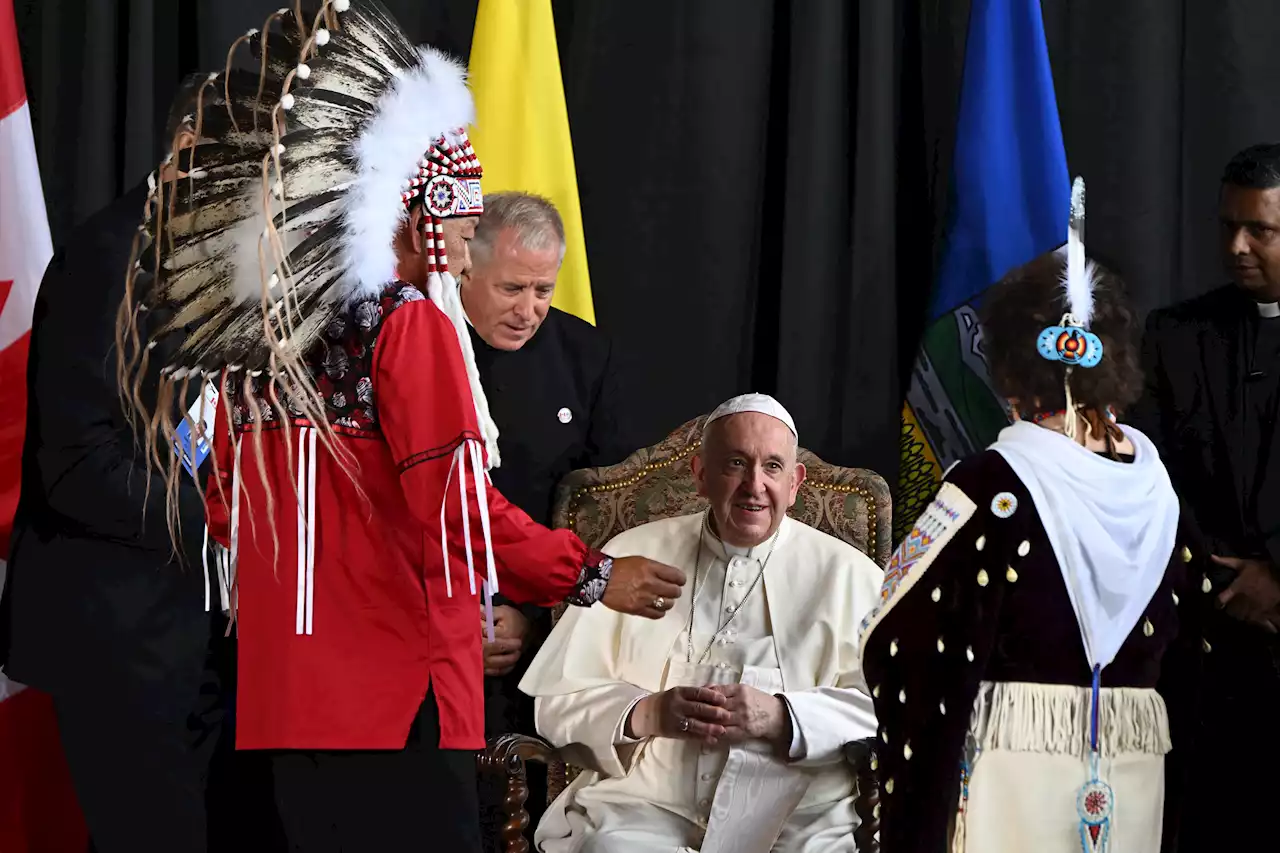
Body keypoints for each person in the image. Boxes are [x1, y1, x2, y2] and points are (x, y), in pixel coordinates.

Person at [112, 4, 685, 852]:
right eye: (458, 221)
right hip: (394, 694)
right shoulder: (407, 326)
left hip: (283, 692)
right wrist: (591, 574)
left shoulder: (273, 336)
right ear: (421, 217)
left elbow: (226, 503)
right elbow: (455, 512)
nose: (463, 239)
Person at [862, 181, 1210, 853]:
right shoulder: (1157, 489)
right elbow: (1197, 642)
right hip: (1131, 780)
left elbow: (898, 636)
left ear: (1009, 370)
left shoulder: (990, 488)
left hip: (1007, 777)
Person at [0, 75, 280, 853]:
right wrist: (229, 516)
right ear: (192, 148)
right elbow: (79, 464)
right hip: (121, 634)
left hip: (201, 628)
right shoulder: (107, 261)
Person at [520, 393, 882, 853]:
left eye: (772, 467)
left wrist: (784, 717)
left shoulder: (850, 576)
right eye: (735, 463)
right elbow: (557, 700)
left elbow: (896, 710)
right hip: (644, 806)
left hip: (799, 815)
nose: (754, 485)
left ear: (795, 483)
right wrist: (647, 713)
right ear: (700, 475)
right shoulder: (632, 555)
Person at [466, 192, 641, 845]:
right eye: (512, 287)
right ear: (464, 268)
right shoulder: (424, 345)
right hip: (426, 625)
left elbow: (611, 509)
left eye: (543, 288)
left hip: (547, 629)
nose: (529, 308)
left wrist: (534, 615)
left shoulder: (585, 355)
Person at [1128, 142, 1280, 851]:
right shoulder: (1175, 335)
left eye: (1262, 230)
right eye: (1228, 227)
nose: (1239, 246)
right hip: (1201, 637)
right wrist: (1222, 576)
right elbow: (1147, 473)